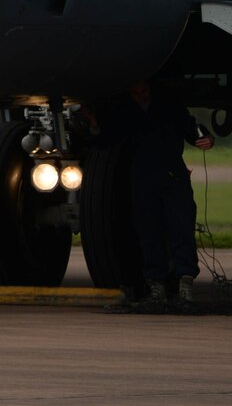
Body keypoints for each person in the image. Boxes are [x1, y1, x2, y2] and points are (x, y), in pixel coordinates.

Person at [88, 80, 214, 313]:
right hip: (143, 178)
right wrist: (93, 123)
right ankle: (157, 288)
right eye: (137, 92)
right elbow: (106, 140)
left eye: (144, 91)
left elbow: (191, 129)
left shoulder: (169, 106)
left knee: (181, 227)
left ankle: (184, 285)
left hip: (171, 175)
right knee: (148, 231)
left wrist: (205, 138)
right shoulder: (124, 111)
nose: (142, 96)